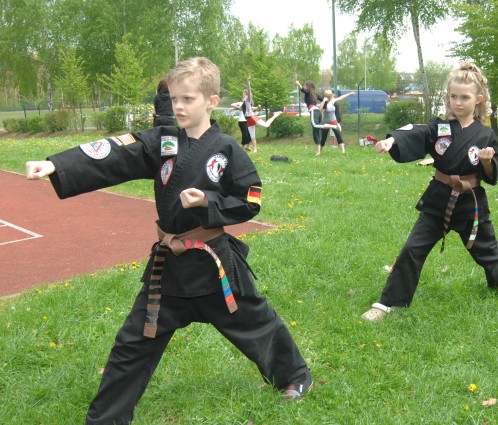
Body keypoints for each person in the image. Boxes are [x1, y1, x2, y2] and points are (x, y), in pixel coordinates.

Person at [25, 57, 312, 424]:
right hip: (169, 270)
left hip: (214, 267)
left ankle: (295, 377)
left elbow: (250, 200)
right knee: (132, 343)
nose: (178, 106)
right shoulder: (161, 142)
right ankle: (107, 419)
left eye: (188, 99)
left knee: (257, 322)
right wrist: (55, 165)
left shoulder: (226, 149)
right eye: (174, 98)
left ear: (211, 100)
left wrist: (208, 202)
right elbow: (114, 152)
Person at [361, 62, 498, 322]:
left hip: (471, 201)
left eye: (465, 97)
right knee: (412, 248)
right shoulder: (439, 128)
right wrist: (392, 140)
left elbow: (494, 173)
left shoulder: (486, 134)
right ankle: (388, 303)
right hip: (438, 199)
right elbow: (417, 132)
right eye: (453, 96)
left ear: (478, 99)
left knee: (486, 247)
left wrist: (485, 160)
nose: (457, 102)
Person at [242, 77, 282, 153]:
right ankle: (255, 149)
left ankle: (275, 115)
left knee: (266, 125)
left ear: (246, 94)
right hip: (248, 120)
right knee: (252, 135)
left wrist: (248, 82)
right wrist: (233, 108)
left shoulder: (248, 99)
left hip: (252, 117)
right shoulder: (244, 101)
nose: (243, 94)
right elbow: (247, 109)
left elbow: (249, 91)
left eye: (244, 93)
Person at [294, 79, 337, 151]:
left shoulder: (308, 92)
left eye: (305, 85)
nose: (304, 86)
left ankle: (332, 126)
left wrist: (299, 85)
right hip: (318, 112)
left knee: (315, 126)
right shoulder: (315, 94)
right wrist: (324, 107)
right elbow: (325, 101)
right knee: (315, 131)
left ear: (308, 86)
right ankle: (318, 151)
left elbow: (304, 90)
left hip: (314, 111)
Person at [318, 90, 355, 155]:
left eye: (331, 96)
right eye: (330, 96)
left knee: (338, 136)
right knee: (323, 138)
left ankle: (343, 151)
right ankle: (319, 152)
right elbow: (320, 109)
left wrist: (349, 94)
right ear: (327, 97)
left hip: (333, 122)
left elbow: (341, 97)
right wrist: (324, 101)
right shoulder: (324, 103)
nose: (332, 97)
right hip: (326, 123)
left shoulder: (332, 101)